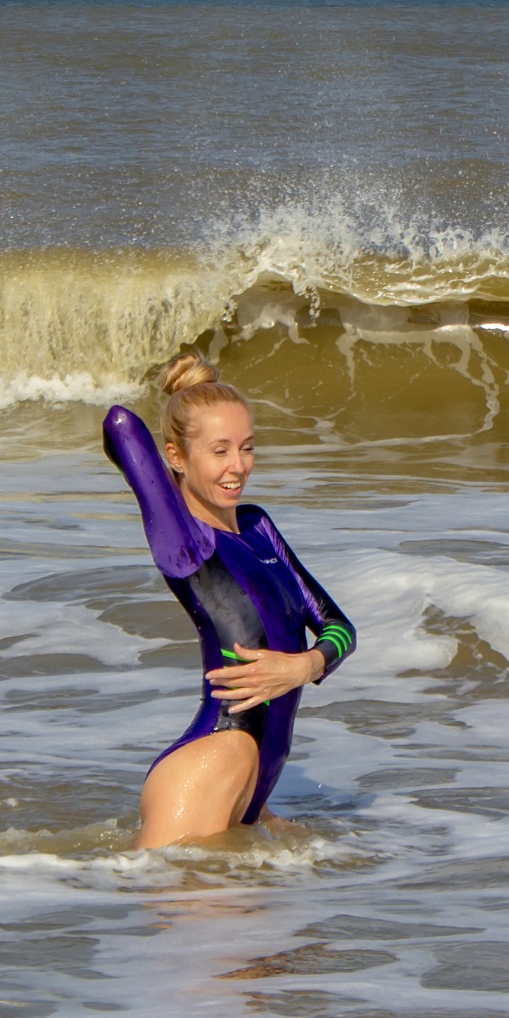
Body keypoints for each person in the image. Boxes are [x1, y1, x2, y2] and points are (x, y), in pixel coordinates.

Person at [102, 355, 355, 849]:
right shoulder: (185, 541)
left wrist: (303, 667)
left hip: (251, 789)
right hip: (213, 763)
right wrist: (169, 482)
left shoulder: (259, 528)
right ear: (176, 457)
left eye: (246, 448)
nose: (237, 466)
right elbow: (119, 424)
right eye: (219, 451)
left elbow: (339, 627)